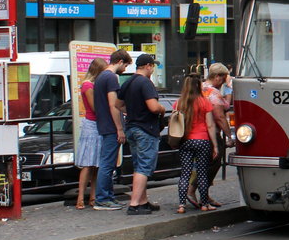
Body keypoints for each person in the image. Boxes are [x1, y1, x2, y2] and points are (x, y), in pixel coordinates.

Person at [120, 54, 165, 215]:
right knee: (144, 167)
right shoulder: (145, 83)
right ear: (148, 66)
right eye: (153, 66)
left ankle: (143, 201)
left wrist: (133, 110)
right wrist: (162, 109)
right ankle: (134, 204)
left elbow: (118, 104)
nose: (152, 69)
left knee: (138, 165)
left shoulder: (128, 82)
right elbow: (153, 107)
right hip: (146, 128)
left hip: (131, 127)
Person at [189, 62, 233, 208]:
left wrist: (227, 88)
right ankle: (196, 191)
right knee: (212, 163)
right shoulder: (213, 93)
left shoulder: (200, 88)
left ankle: (203, 195)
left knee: (201, 164)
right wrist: (229, 136)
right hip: (210, 133)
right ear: (218, 77)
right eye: (224, 77)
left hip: (195, 132)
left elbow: (225, 104)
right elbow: (220, 116)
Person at [92, 49, 132, 210]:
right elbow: (113, 104)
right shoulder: (111, 78)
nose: (125, 70)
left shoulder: (101, 77)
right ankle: (102, 198)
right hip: (110, 126)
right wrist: (119, 128)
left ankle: (108, 196)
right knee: (108, 163)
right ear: (120, 62)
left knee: (107, 162)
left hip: (103, 124)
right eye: (126, 65)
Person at [175, 74, 218, 213]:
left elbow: (175, 124)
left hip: (186, 141)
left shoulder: (179, 103)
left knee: (185, 173)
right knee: (202, 173)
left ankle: (181, 205)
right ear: (198, 86)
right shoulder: (204, 102)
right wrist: (215, 145)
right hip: (203, 140)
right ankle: (205, 204)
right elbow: (210, 125)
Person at [74, 58, 107, 209]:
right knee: (88, 163)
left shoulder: (92, 84)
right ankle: (81, 197)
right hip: (92, 125)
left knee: (96, 164)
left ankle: (93, 196)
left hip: (96, 124)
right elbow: (94, 107)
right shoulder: (88, 86)